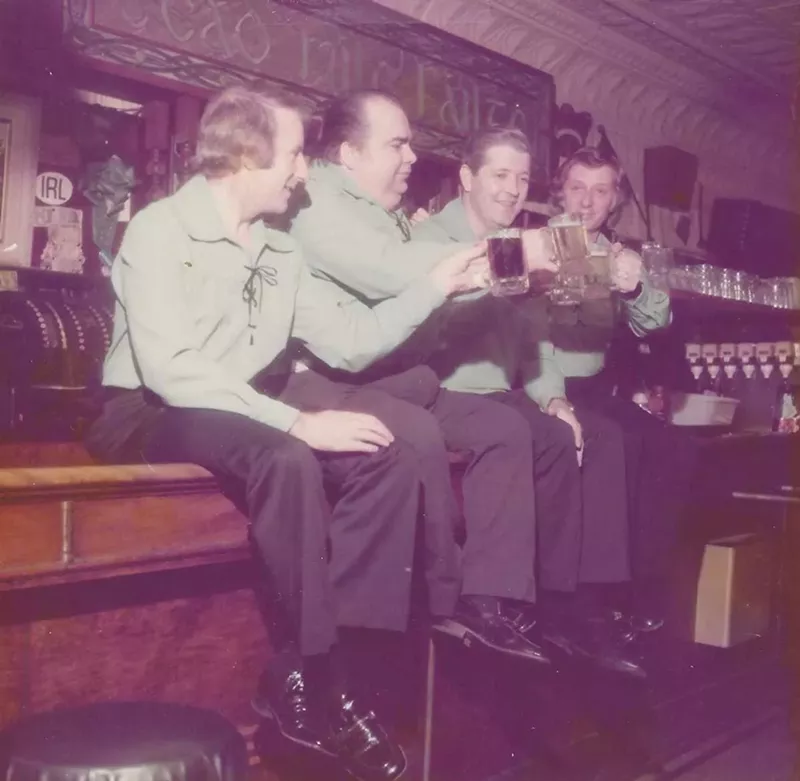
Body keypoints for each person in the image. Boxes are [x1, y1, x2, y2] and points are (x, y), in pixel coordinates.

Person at [84, 86, 489, 781]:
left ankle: (324, 675)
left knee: (382, 451)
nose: (305, 172)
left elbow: (356, 342)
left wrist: (436, 286)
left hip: (235, 407)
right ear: (247, 156)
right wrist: (299, 420)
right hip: (145, 409)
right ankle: (323, 670)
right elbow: (175, 373)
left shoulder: (280, 252)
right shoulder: (158, 230)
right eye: (297, 155)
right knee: (289, 454)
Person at [288, 89, 557, 665]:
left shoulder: (382, 213)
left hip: (389, 378)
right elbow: (392, 275)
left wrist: (501, 281)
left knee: (506, 429)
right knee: (419, 432)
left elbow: (425, 301)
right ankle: (447, 603)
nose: (412, 157)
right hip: (332, 382)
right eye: (397, 144)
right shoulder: (318, 205)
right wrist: (509, 255)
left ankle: (490, 601)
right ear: (349, 154)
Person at [411, 127, 645, 677]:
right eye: (500, 175)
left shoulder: (516, 242)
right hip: (439, 392)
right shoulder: (427, 240)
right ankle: (487, 601)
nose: (513, 189)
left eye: (521, 179)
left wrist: (555, 399)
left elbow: (535, 336)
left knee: (564, 434)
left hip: (500, 393)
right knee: (513, 432)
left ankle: (556, 605)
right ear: (467, 178)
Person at [545, 146, 698, 627]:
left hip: (591, 388)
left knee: (674, 447)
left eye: (601, 191)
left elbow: (656, 323)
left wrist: (634, 287)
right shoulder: (533, 244)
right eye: (577, 188)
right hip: (539, 382)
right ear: (559, 192)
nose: (587, 202)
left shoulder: (616, 255)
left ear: (614, 201)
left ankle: (639, 595)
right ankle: (593, 602)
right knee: (616, 444)